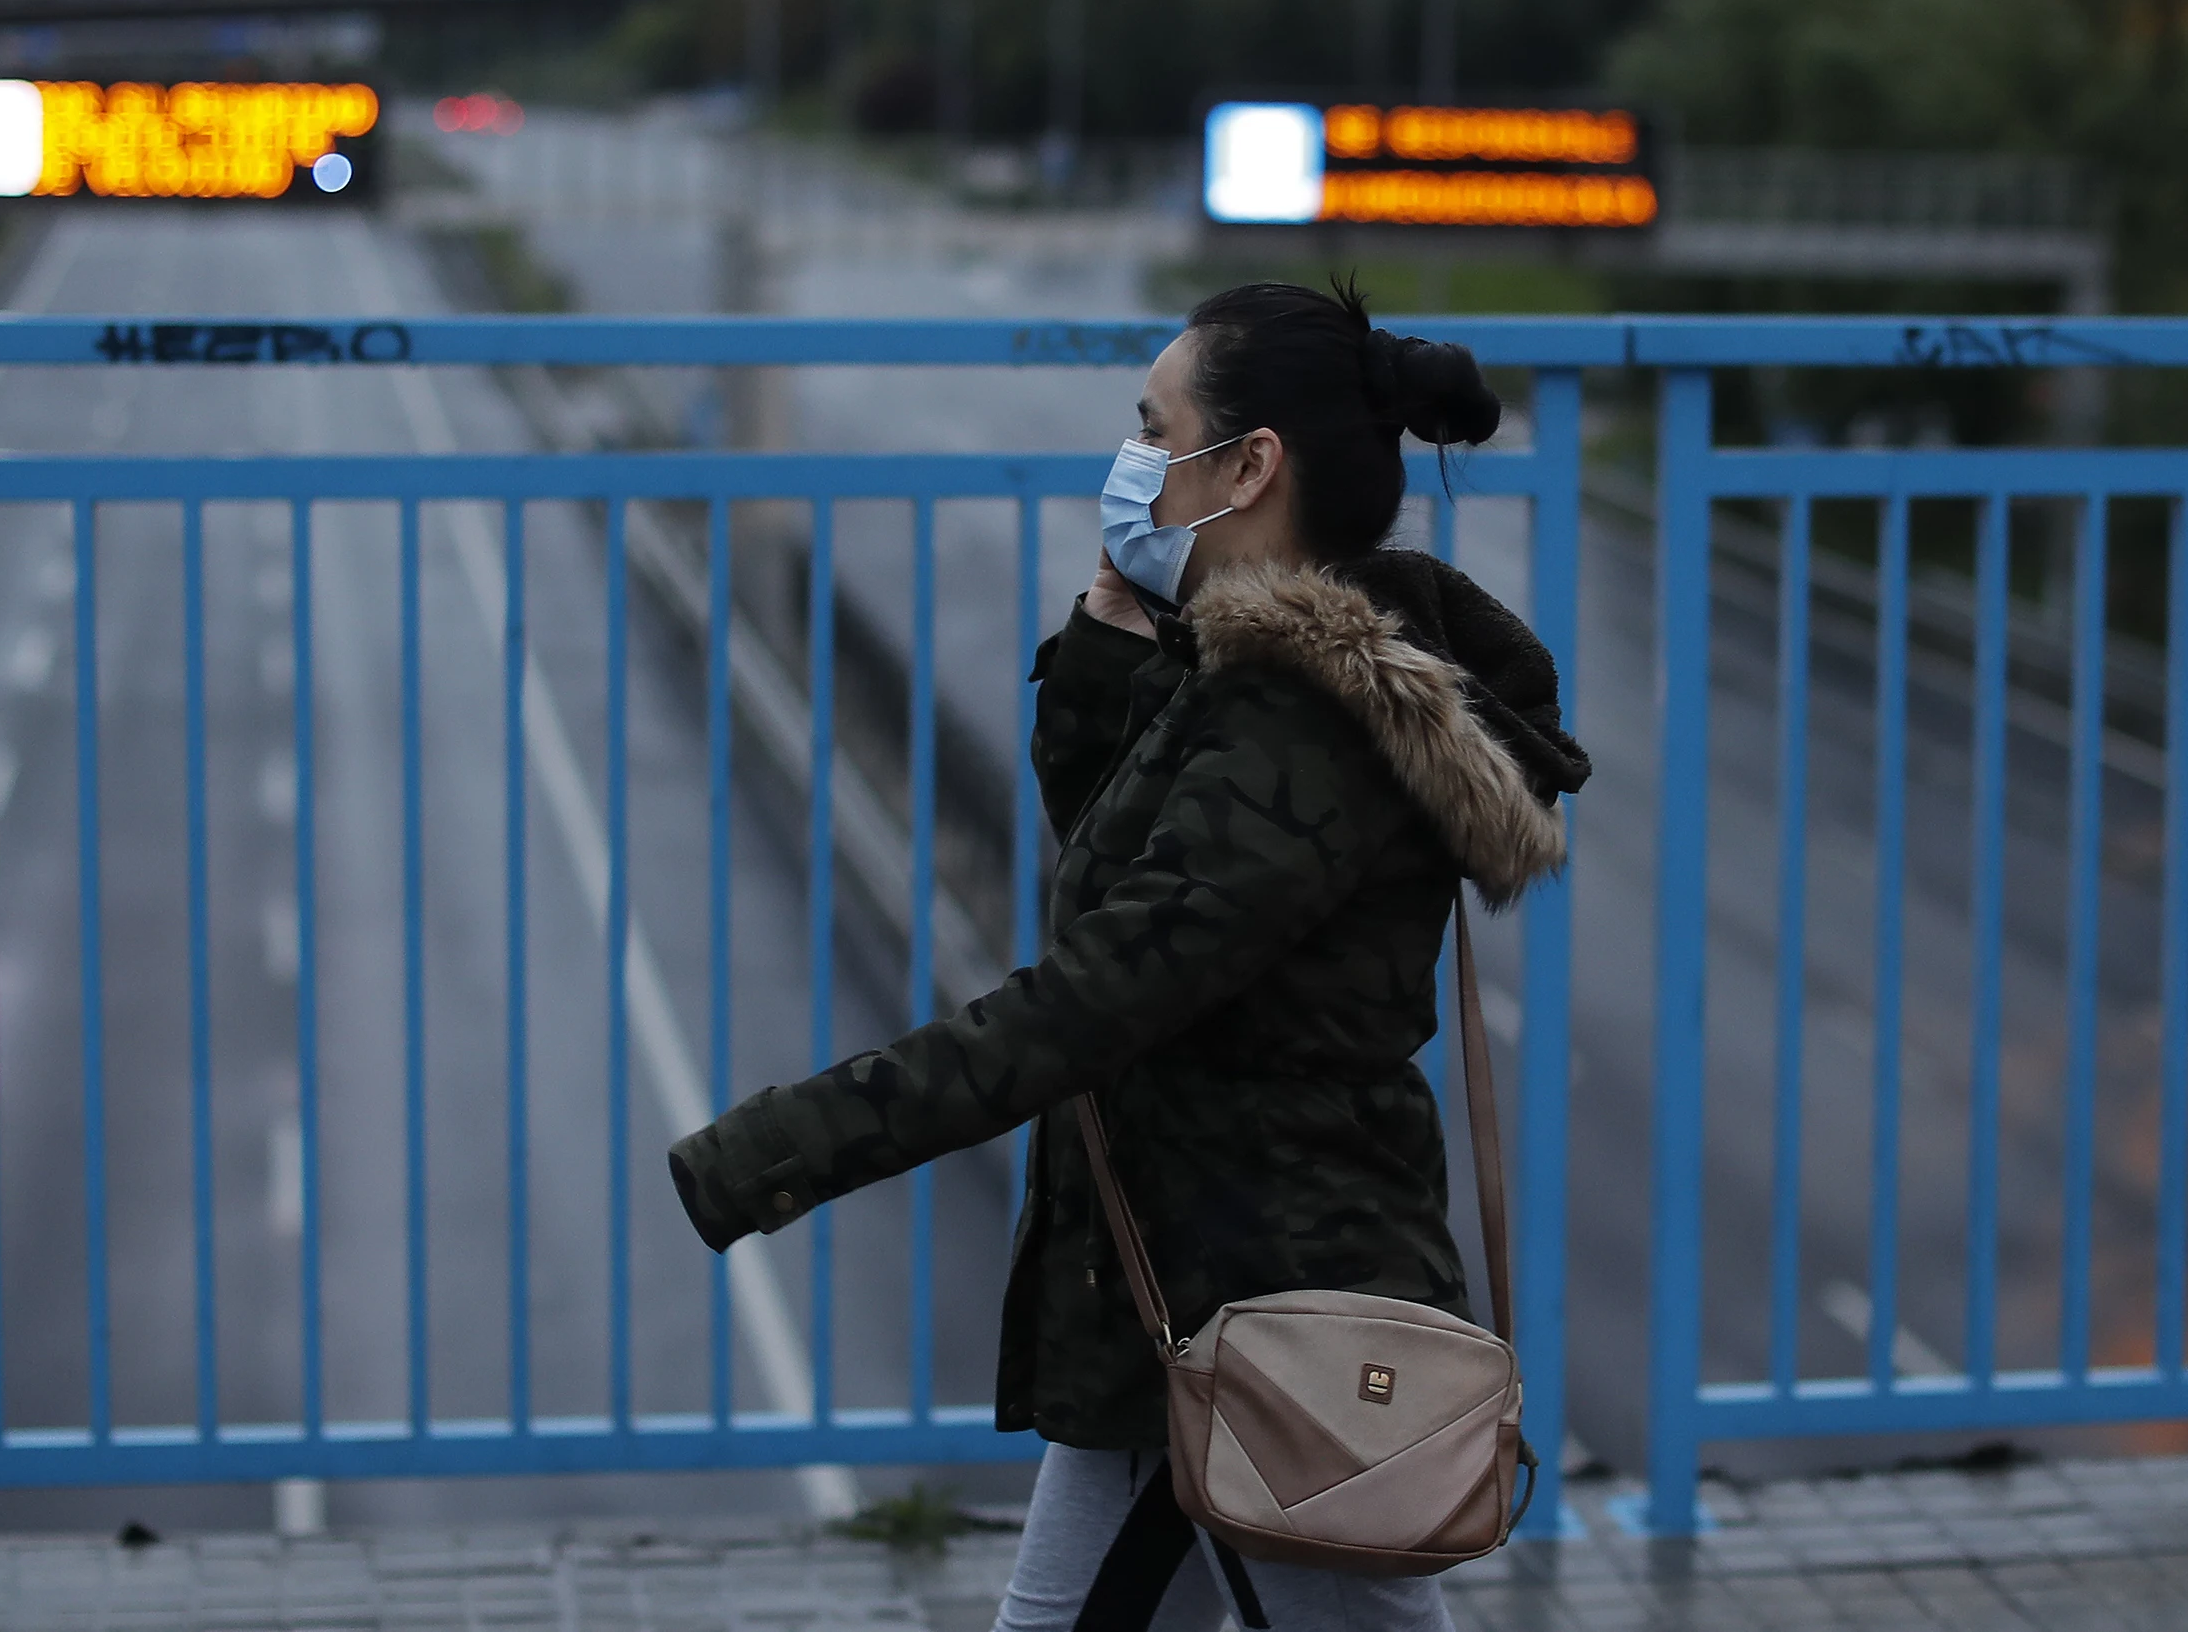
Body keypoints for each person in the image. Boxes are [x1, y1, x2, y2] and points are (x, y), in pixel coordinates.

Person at [669, 280, 1591, 1631]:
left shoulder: (1300, 727)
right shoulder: (1245, 679)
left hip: (1259, 1300)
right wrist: (1111, 639)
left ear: (1249, 465)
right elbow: (1124, 866)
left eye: (1154, 431)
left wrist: (780, 1146)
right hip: (1191, 1292)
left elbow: (1100, 993)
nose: (1132, 463)